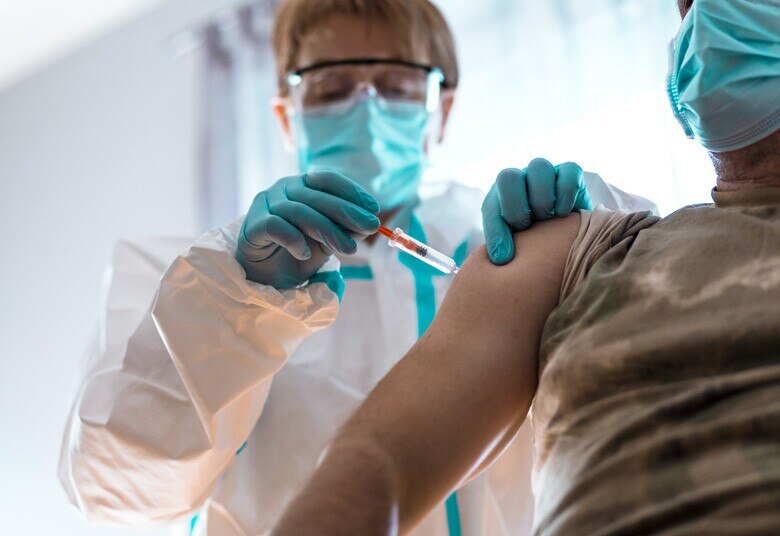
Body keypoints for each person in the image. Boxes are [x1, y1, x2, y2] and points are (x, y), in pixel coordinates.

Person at [58, 1, 656, 535]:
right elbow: (116, 496)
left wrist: (599, 235)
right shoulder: (194, 281)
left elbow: (666, 372)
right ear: (287, 116)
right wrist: (234, 306)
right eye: (329, 88)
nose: (365, 107)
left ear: (441, 111)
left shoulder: (504, 246)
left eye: (397, 84)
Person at [270, 0, 780, 534]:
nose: (710, 18)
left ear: (439, 108)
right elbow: (376, 469)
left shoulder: (549, 239)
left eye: (395, 87)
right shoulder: (582, 246)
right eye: (691, 6)